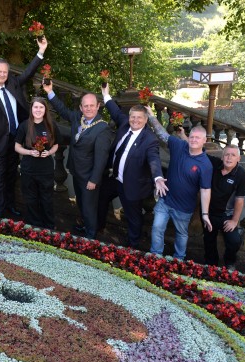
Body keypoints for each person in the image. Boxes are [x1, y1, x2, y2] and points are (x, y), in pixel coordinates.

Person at [0, 38, 48, 218]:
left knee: (11, 177)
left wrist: (40, 52)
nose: (2, 75)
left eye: (5, 72)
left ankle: (10, 207)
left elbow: (28, 73)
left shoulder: (13, 84)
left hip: (16, 141)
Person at [97, 84, 167, 248]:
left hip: (132, 183)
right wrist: (106, 95)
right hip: (116, 178)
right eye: (133, 117)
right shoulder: (124, 124)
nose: (135, 120)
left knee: (133, 216)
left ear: (145, 119)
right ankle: (99, 227)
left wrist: (157, 177)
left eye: (139, 118)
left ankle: (133, 244)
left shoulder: (149, 139)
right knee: (101, 196)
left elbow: (154, 159)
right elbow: (115, 111)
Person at [44, 82, 112, 239]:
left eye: (91, 105)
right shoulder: (77, 117)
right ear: (81, 107)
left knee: (89, 209)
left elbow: (102, 158)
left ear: (98, 106)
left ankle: (91, 237)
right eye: (85, 106)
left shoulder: (103, 128)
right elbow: (62, 110)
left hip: (89, 177)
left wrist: (94, 180)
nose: (88, 108)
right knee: (81, 204)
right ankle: (85, 227)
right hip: (76, 171)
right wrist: (50, 92)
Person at [147, 108, 213, 260]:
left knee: (181, 234)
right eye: (192, 137)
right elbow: (162, 134)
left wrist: (205, 214)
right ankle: (155, 256)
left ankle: (179, 260)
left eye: (198, 138)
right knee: (157, 227)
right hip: (165, 199)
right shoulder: (179, 146)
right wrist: (151, 116)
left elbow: (205, 190)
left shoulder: (205, 164)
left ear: (204, 141)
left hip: (184, 208)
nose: (194, 140)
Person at [14, 97, 60, 228]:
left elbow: (56, 145)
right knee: (30, 199)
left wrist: (49, 152)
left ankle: (49, 226)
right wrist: (29, 152)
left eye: (41, 107)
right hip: (28, 169)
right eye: (36, 107)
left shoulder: (51, 125)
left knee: (47, 199)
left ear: (45, 109)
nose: (38, 110)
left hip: (46, 170)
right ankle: (33, 226)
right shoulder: (24, 125)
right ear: (31, 109)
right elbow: (16, 147)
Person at [203, 145, 245, 267]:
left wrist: (234, 220)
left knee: (234, 241)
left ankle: (229, 262)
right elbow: (198, 151)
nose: (229, 158)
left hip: (226, 215)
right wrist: (183, 136)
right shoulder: (215, 164)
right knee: (209, 240)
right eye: (227, 154)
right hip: (209, 212)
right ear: (222, 157)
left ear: (238, 158)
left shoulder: (241, 174)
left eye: (233, 155)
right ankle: (211, 265)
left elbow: (239, 199)